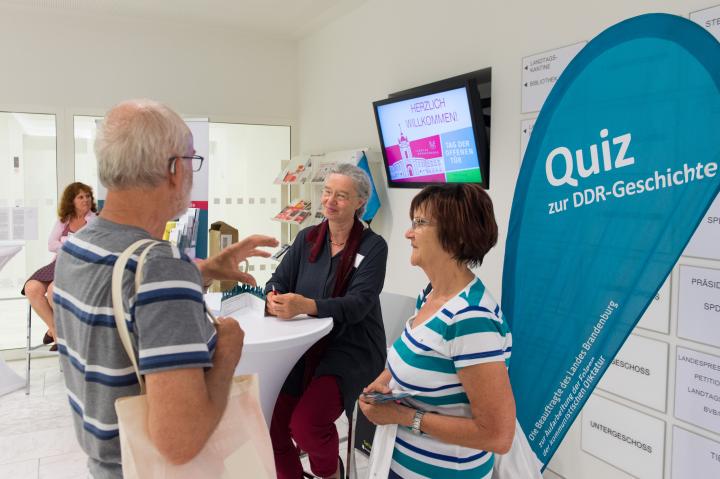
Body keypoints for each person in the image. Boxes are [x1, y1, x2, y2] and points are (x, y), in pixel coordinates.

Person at [53, 99, 278, 479]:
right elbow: (180, 442)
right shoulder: (160, 266)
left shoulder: (78, 244)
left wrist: (201, 273)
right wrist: (227, 351)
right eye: (192, 161)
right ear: (174, 169)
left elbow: (120, 297)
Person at [359, 184, 515, 479]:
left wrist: (404, 417)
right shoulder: (430, 295)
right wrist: (380, 384)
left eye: (419, 223)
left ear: (456, 236)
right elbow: (414, 355)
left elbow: (497, 435)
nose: (408, 233)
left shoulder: (470, 319)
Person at [265, 162, 388, 479]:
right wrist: (273, 297)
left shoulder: (373, 247)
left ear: (360, 202)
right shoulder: (306, 239)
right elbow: (276, 281)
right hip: (303, 346)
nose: (330, 201)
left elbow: (358, 304)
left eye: (342, 195)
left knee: (306, 425)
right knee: (272, 423)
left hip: (351, 349)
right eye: (327, 192)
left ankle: (329, 472)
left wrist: (305, 305)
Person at [22, 181, 97, 351]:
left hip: (80, 267)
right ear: (72, 201)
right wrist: (70, 244)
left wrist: (64, 242)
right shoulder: (65, 220)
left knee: (54, 290)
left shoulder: (95, 220)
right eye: (80, 197)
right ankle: (56, 331)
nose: (86, 200)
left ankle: (59, 336)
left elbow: (88, 247)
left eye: (88, 196)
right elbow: (51, 244)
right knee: (31, 288)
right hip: (58, 263)